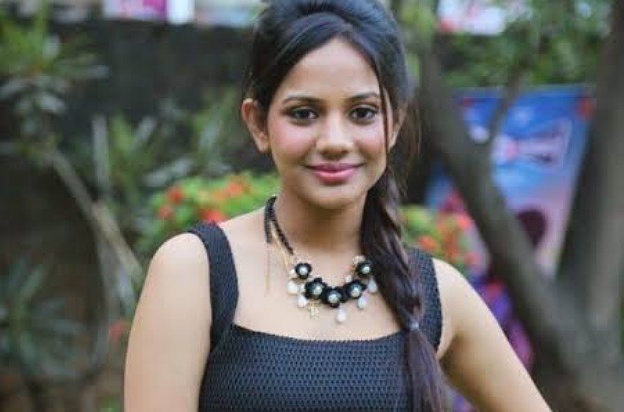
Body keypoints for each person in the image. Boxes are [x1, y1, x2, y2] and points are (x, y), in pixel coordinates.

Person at [124, 0, 552, 410]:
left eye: (362, 112)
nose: (334, 141)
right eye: (303, 113)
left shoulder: (435, 293)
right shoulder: (196, 273)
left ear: (394, 123)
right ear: (258, 123)